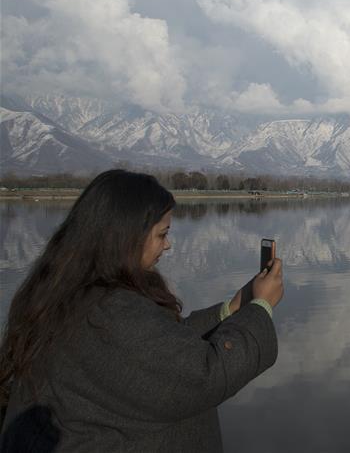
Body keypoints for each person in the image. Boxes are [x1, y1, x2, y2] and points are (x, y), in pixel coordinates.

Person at [0, 170, 283, 452]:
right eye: (162, 234)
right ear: (126, 237)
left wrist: (233, 308)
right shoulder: (108, 312)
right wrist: (260, 308)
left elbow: (160, 346)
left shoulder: (71, 293)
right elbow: (203, 376)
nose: (168, 244)